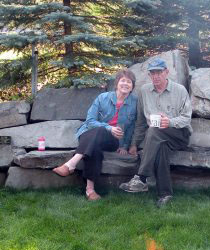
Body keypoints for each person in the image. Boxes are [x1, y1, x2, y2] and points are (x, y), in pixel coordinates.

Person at [53, 69, 137, 200]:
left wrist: (125, 146)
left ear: (132, 86)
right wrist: (108, 128)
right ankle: (90, 191)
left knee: (100, 133)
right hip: (89, 133)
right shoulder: (102, 98)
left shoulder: (134, 102)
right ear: (117, 83)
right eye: (123, 81)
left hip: (112, 140)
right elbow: (90, 121)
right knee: (96, 145)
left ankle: (70, 165)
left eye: (129, 82)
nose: (125, 84)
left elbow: (132, 126)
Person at [119, 58, 192, 207]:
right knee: (160, 148)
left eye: (159, 72)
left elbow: (186, 118)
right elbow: (140, 122)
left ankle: (141, 178)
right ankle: (165, 195)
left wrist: (170, 122)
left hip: (179, 134)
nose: (156, 76)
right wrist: (134, 144)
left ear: (166, 72)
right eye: (152, 73)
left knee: (154, 130)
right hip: (157, 137)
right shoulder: (144, 91)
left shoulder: (179, 90)